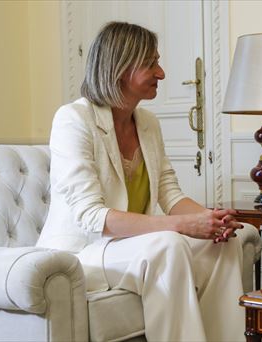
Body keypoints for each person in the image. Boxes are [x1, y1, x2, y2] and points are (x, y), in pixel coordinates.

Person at [36, 22, 245, 341]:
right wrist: (181, 226)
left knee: (223, 244)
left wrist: (209, 219)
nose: (161, 73)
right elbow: (93, 218)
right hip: (83, 252)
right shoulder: (73, 119)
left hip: (133, 248)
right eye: (151, 63)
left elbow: (170, 194)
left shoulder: (147, 123)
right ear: (120, 68)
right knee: (168, 242)